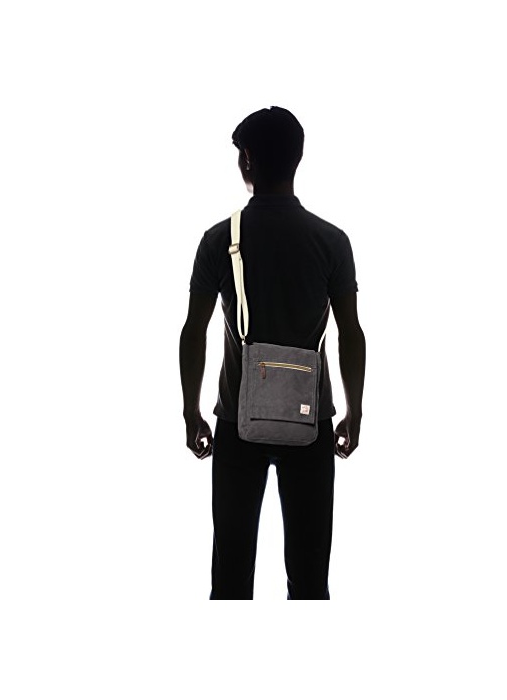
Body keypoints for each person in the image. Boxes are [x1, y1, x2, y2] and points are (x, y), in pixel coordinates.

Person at [179, 106, 365, 600]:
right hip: (312, 424)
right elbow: (350, 333)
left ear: (247, 160)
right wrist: (355, 411)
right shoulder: (332, 241)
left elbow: (193, 331)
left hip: (236, 424)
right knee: (310, 582)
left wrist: (191, 411)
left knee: (230, 580)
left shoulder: (219, 240)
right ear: (298, 159)